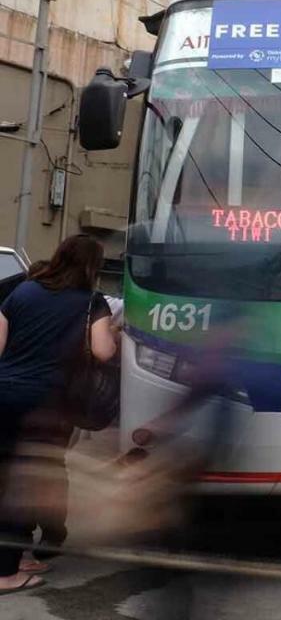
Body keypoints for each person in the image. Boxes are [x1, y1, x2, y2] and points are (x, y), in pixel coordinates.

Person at [0, 235, 118, 596]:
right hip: (47, 404)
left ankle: (17, 561)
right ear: (91, 267)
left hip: (4, 394)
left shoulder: (23, 292)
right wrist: (111, 334)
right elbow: (102, 351)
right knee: (28, 483)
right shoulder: (91, 303)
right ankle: (8, 573)